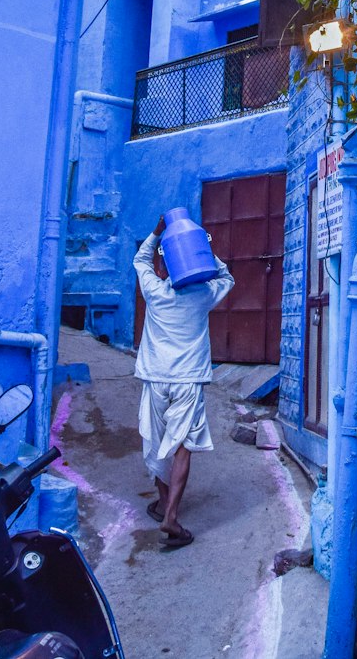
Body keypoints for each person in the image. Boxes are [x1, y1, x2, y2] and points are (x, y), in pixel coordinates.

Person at [132, 214, 233, 549]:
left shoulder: (155, 293)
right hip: (188, 381)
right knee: (181, 447)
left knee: (157, 443)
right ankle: (171, 515)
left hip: (155, 378)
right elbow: (226, 276)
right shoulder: (202, 296)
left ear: (169, 264)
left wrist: (158, 230)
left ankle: (163, 504)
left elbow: (141, 259)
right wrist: (203, 248)